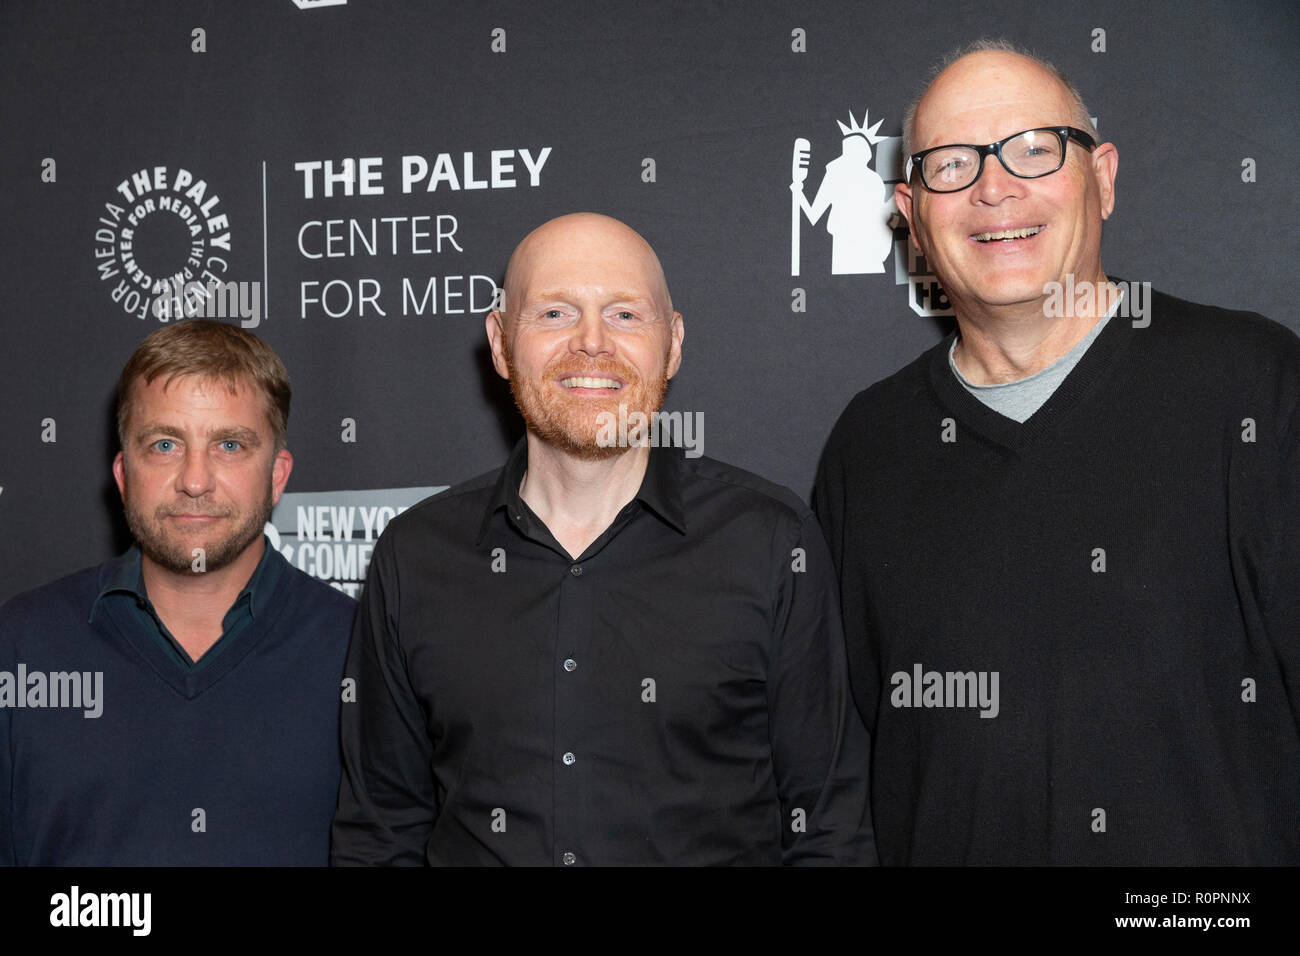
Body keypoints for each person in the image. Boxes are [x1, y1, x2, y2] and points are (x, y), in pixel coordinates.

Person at [813, 41, 1300, 865]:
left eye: (1035, 150)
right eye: (952, 164)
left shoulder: (1254, 386)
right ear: (910, 208)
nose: (994, 188)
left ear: (1102, 176)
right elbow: (844, 760)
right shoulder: (869, 445)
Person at [332, 212, 873, 865]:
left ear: (671, 344)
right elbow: (382, 832)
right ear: (501, 344)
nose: (591, 343)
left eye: (624, 315)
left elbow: (829, 830)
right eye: (555, 314)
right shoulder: (415, 556)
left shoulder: (769, 543)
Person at [0, 320, 355, 865]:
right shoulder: (21, 648)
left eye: (230, 445)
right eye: (165, 444)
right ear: (123, 473)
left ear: (277, 476)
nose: (195, 479)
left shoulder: (363, 652)